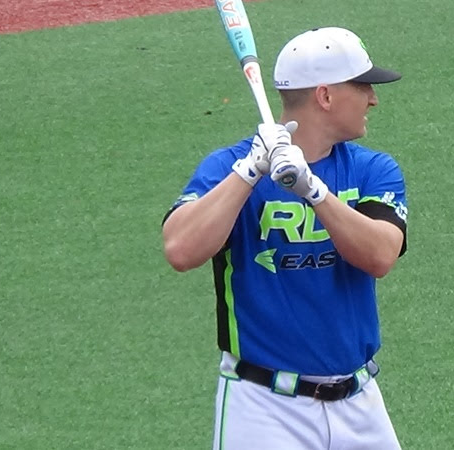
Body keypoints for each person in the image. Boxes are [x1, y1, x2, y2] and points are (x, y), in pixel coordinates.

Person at [161, 27, 409, 449]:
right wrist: (249, 171)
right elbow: (180, 250)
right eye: (362, 86)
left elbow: (380, 256)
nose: (373, 99)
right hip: (264, 410)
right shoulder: (228, 166)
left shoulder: (373, 170)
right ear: (325, 96)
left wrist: (314, 192)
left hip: (360, 404)